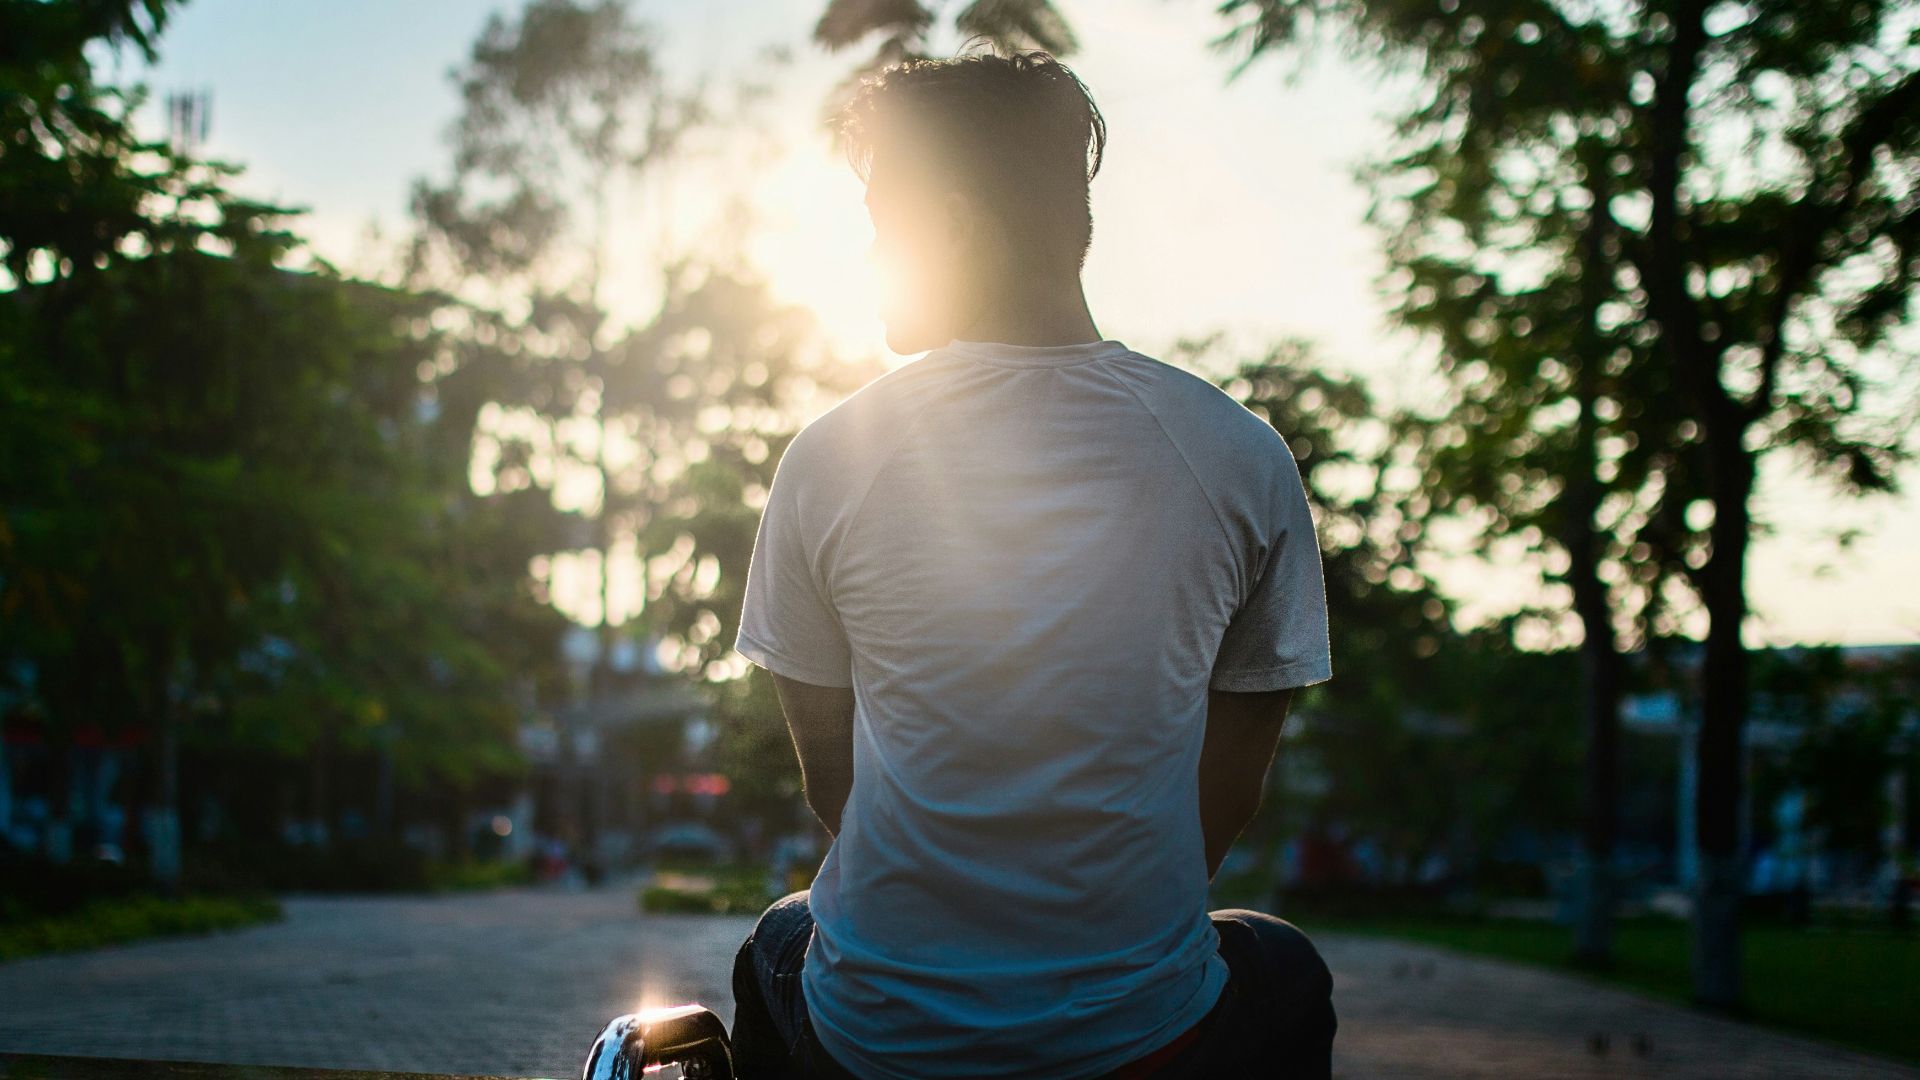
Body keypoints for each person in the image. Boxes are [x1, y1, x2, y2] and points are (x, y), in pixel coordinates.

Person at [729, 47, 1337, 1079]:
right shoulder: (1237, 455)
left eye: (883, 230)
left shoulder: (833, 458)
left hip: (878, 1040)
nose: (869, 260)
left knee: (776, 944)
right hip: (1139, 1040)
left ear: (956, 226)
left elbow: (834, 788)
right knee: (1284, 966)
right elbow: (1226, 795)